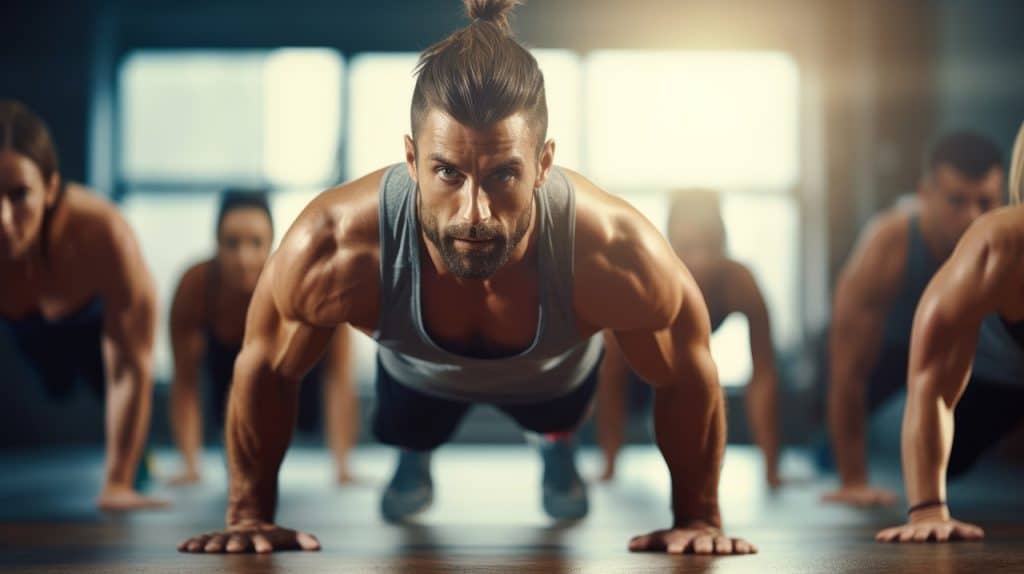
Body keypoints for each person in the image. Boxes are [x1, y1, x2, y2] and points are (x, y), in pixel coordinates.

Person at [178, 0, 755, 556]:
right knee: (409, 427)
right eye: (447, 172)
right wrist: (249, 513)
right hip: (416, 386)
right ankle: (415, 452)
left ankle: (555, 449)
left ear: (544, 164)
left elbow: (686, 366)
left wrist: (698, 517)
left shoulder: (613, 249)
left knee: (555, 420)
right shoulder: (335, 244)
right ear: (411, 159)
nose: (474, 213)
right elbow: (266, 363)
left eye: (503, 173)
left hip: (553, 390)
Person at [823, 131, 1004, 506]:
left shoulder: (1009, 247)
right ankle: (831, 455)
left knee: (955, 458)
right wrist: (854, 480)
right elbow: (847, 368)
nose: (972, 217)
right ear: (925, 195)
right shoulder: (889, 244)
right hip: (893, 358)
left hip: (970, 364)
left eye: (985, 202)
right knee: (829, 451)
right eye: (957, 201)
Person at [0, 100, 166, 511]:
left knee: (104, 371)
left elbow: (132, 362)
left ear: (51, 188)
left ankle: (135, 463)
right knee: (55, 385)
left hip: (84, 320)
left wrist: (117, 483)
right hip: (23, 327)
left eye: (20, 195)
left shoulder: (103, 232)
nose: (3, 220)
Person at [877, 122, 1024, 543]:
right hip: (982, 386)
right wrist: (927, 510)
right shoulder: (1001, 244)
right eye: (958, 200)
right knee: (935, 451)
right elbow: (933, 382)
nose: (969, 212)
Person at [167, 190, 359, 486]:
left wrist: (343, 467)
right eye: (232, 243)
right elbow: (185, 382)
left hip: (295, 379)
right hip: (229, 380)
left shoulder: (308, 283)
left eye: (255, 243)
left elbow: (338, 376)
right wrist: (190, 465)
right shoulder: (196, 287)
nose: (244, 258)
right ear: (216, 244)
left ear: (272, 245)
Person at [596, 190, 779, 487]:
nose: (701, 262)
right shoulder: (642, 280)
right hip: (635, 370)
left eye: (710, 247)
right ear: (669, 245)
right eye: (689, 248)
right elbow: (611, 373)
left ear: (724, 244)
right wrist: (609, 466)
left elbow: (764, 376)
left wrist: (771, 470)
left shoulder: (738, 284)